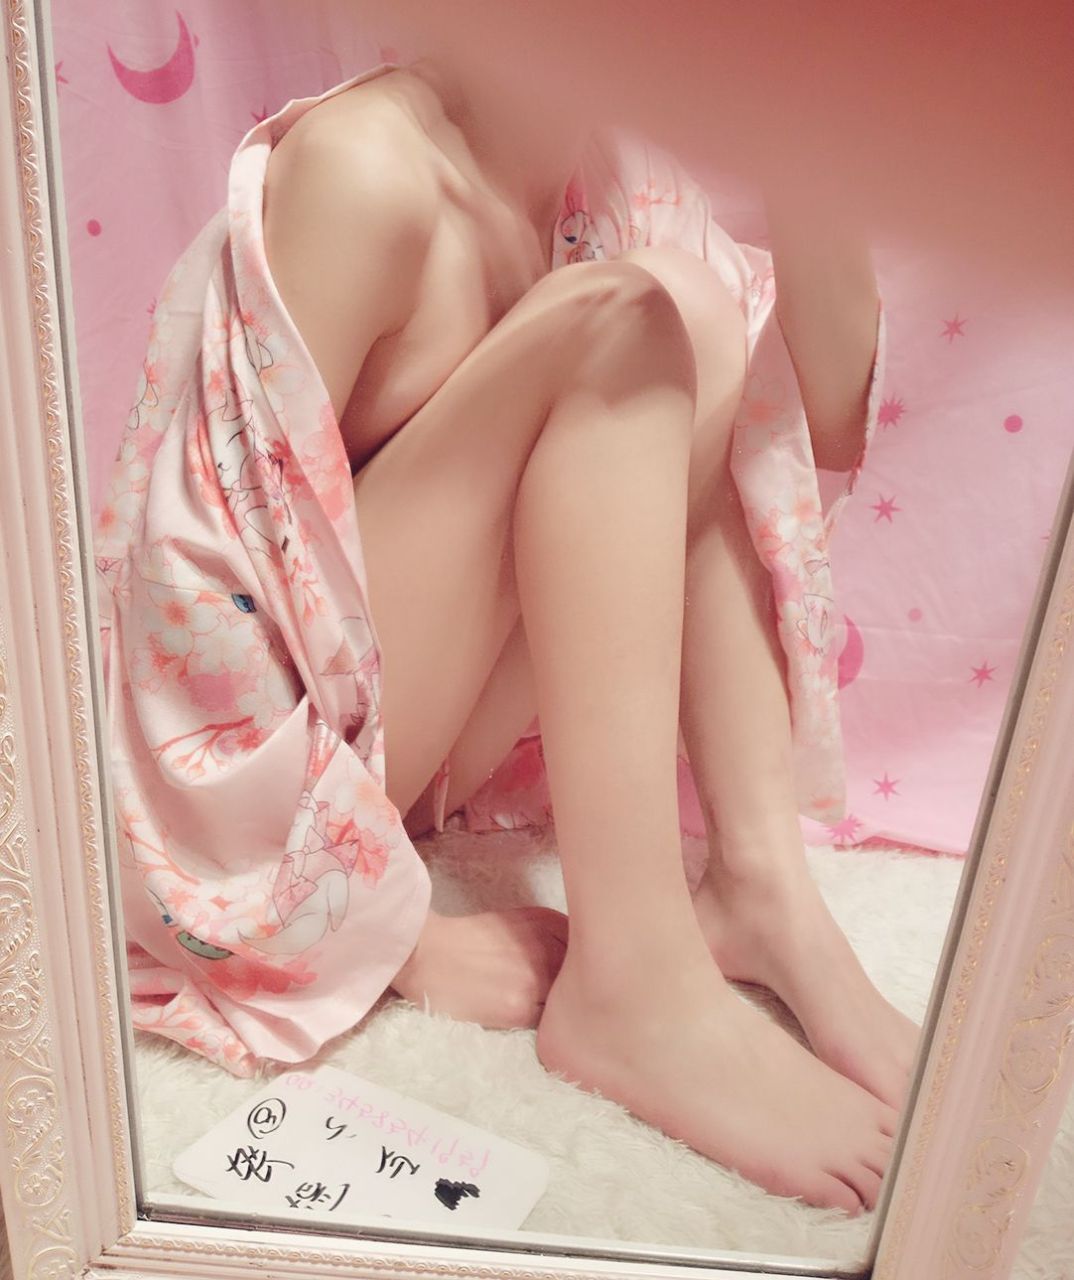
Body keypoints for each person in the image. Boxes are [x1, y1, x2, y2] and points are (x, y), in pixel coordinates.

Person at [94, 51, 914, 1214]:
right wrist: (392, 937)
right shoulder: (366, 171)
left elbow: (820, 418)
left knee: (690, 310)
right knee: (631, 319)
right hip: (308, 785)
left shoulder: (613, 172)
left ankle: (758, 882)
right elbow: (187, 626)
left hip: (431, 729)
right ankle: (636, 985)